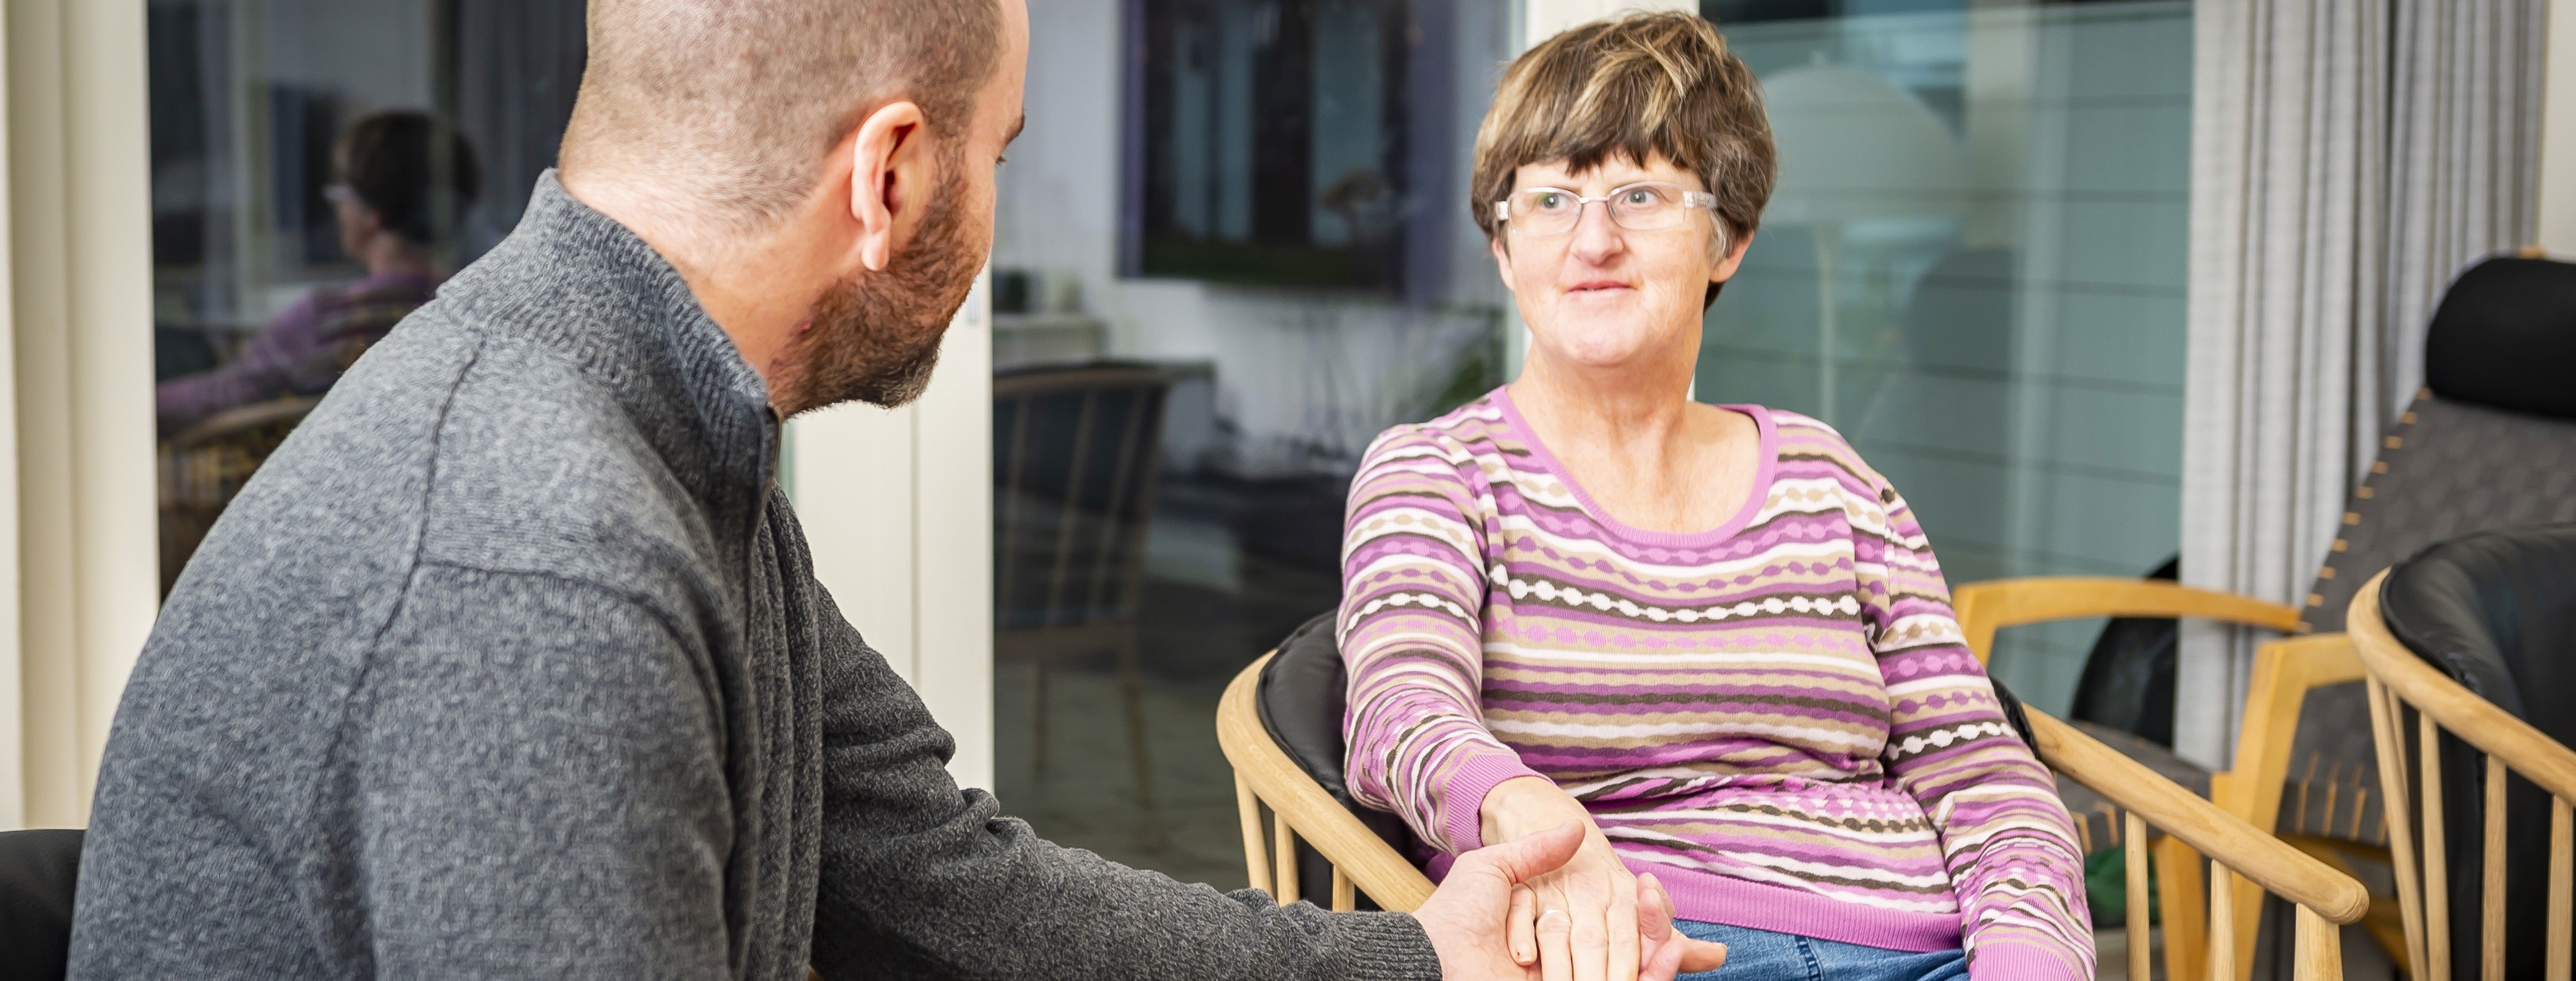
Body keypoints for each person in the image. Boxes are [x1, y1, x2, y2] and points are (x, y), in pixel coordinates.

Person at [70, 2, 1730, 980]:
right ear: (885, 177)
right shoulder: (536, 573)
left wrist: (1417, 956)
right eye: (993, 157)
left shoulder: (663, 438)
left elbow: (943, 879)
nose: (994, 213)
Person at [1337, 13, 2093, 981]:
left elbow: (1980, 771)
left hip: (1928, 948)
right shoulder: (1436, 473)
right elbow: (1400, 712)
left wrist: (2026, 954)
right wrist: (1526, 811)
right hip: (1637, 953)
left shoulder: (1831, 482)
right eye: (1550, 200)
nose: (1593, 240)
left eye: (1640, 196)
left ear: (1726, 239)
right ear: (1503, 247)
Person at [156, 111, 480, 434]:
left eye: (341, 195)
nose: (338, 210)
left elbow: (220, 394)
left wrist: (139, 397)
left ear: (373, 215)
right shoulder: (474, 310)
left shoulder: (326, 321)